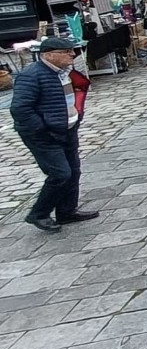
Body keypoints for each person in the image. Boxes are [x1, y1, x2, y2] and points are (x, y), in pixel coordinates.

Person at [10, 37, 97, 232]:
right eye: (66, 52)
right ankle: (39, 213)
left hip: (67, 129)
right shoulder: (31, 76)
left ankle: (66, 211)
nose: (72, 55)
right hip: (44, 135)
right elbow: (20, 109)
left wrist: (76, 118)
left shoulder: (65, 73)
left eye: (71, 51)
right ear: (48, 55)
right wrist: (42, 128)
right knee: (60, 173)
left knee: (73, 172)